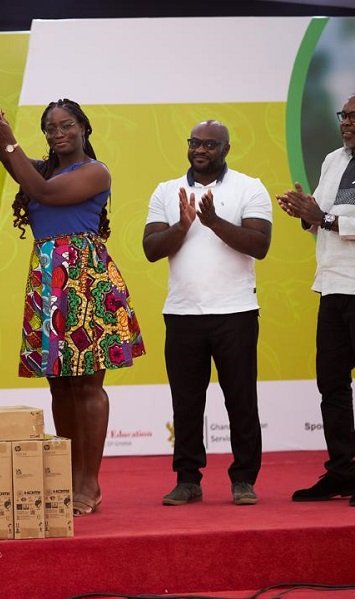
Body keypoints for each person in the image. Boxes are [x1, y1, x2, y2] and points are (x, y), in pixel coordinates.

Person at [0, 99, 145, 516]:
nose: (58, 132)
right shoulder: (39, 167)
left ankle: (90, 483)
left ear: (84, 128)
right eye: (50, 127)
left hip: (85, 280)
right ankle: (67, 478)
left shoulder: (95, 172)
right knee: (59, 384)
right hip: (47, 280)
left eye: (66, 124)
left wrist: (8, 141)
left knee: (88, 385)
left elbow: (43, 193)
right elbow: (10, 157)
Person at [143, 121, 272, 507]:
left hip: (236, 312)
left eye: (210, 144)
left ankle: (244, 479)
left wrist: (213, 222)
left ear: (226, 149)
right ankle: (187, 479)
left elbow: (259, 245)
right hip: (182, 314)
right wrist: (183, 226)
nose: (201, 149)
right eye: (195, 143)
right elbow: (151, 248)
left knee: (241, 399)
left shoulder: (250, 187)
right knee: (186, 402)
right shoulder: (167, 191)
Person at [277, 94, 355, 505]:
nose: (347, 122)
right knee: (332, 384)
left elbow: (333, 219)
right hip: (332, 285)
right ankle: (343, 471)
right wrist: (305, 213)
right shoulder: (332, 160)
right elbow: (321, 220)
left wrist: (321, 217)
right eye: (344, 115)